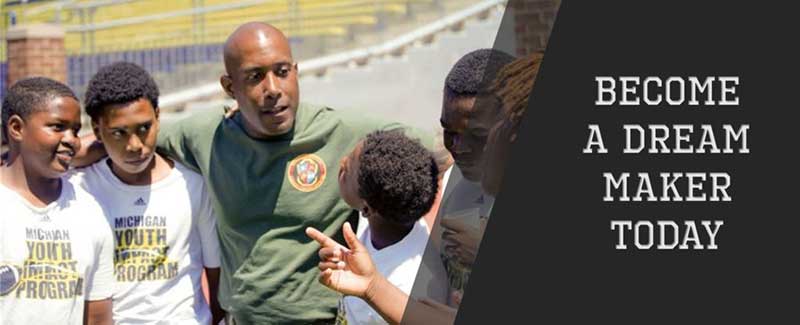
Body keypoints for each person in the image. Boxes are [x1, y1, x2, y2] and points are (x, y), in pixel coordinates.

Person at [76, 22, 430, 324]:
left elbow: (435, 155)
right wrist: (80, 151)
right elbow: (137, 137)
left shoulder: (344, 131)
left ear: (295, 70)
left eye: (281, 71)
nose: (273, 89)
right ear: (230, 88)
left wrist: (439, 247)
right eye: (255, 77)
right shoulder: (206, 135)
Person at [69, 62, 224, 324]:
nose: (135, 146)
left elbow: (215, 271)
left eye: (144, 128)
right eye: (119, 133)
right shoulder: (78, 187)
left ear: (158, 117)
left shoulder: (192, 185)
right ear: (96, 130)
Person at [0, 77, 114, 324]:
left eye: (75, 129)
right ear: (17, 128)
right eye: (58, 126)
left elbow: (98, 318)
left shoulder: (89, 211)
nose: (72, 140)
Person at [308, 130, 447, 324]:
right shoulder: (388, 209)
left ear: (366, 207)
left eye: (346, 171)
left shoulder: (407, 284)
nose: (341, 163)